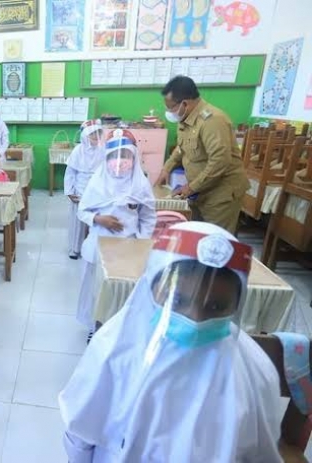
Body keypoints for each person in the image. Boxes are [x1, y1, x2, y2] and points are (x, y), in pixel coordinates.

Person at [59, 221, 283, 462]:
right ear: (150, 289)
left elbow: (261, 455)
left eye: (216, 306)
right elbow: (81, 433)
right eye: (177, 301)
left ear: (236, 306)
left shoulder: (254, 375)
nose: (195, 318)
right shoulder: (113, 350)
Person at [76, 130, 156, 336]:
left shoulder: (140, 184)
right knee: (97, 290)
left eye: (125, 156)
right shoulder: (98, 180)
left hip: (127, 247)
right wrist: (99, 219)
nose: (119, 162)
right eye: (114, 157)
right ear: (106, 157)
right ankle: (95, 326)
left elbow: (148, 217)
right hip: (98, 246)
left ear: (134, 157)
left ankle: (119, 329)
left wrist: (139, 242)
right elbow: (82, 210)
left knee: (123, 293)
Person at [155, 76, 249, 234]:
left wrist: (190, 188)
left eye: (171, 108)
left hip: (221, 195)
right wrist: (166, 169)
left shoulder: (212, 121)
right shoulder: (186, 118)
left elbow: (220, 161)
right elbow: (181, 148)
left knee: (216, 241)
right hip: (201, 191)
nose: (169, 112)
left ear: (185, 103)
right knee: (197, 237)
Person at [64, 119, 105, 259]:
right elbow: (70, 173)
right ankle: (75, 249)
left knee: (96, 221)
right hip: (79, 190)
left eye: (98, 134)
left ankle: (94, 249)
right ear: (85, 136)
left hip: (97, 191)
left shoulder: (103, 150)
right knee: (78, 222)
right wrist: (69, 191)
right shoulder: (78, 151)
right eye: (93, 134)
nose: (96, 137)